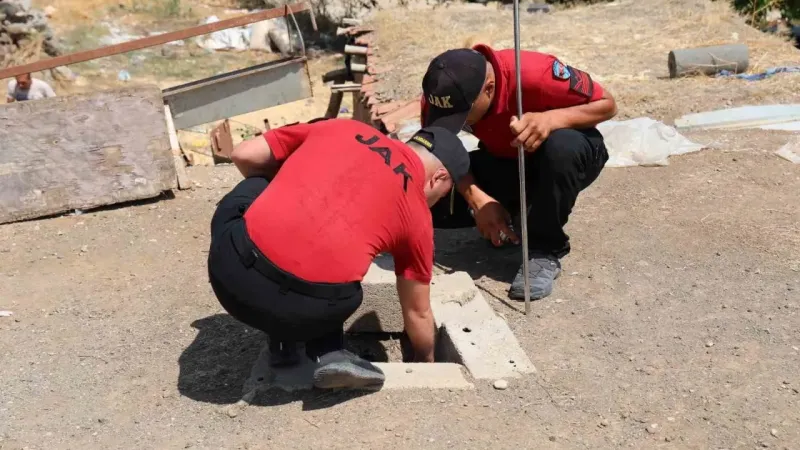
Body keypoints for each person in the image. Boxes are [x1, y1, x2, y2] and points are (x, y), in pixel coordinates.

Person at [207, 117, 470, 390]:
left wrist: (284, 191)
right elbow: (418, 311)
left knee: (260, 181)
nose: (435, 203)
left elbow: (243, 154)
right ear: (438, 177)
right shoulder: (417, 214)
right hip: (303, 314)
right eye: (441, 195)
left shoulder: (345, 128)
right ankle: (328, 351)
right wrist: (426, 361)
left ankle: (284, 350)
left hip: (228, 276)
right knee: (338, 283)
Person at [420, 44, 618, 301]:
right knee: (426, 195)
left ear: (489, 89)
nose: (458, 122)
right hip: (504, 159)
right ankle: (510, 213)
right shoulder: (440, 93)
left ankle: (544, 249)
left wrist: (552, 120)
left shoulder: (536, 73)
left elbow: (608, 104)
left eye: (463, 115)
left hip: (565, 155)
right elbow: (439, 148)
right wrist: (477, 200)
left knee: (562, 148)